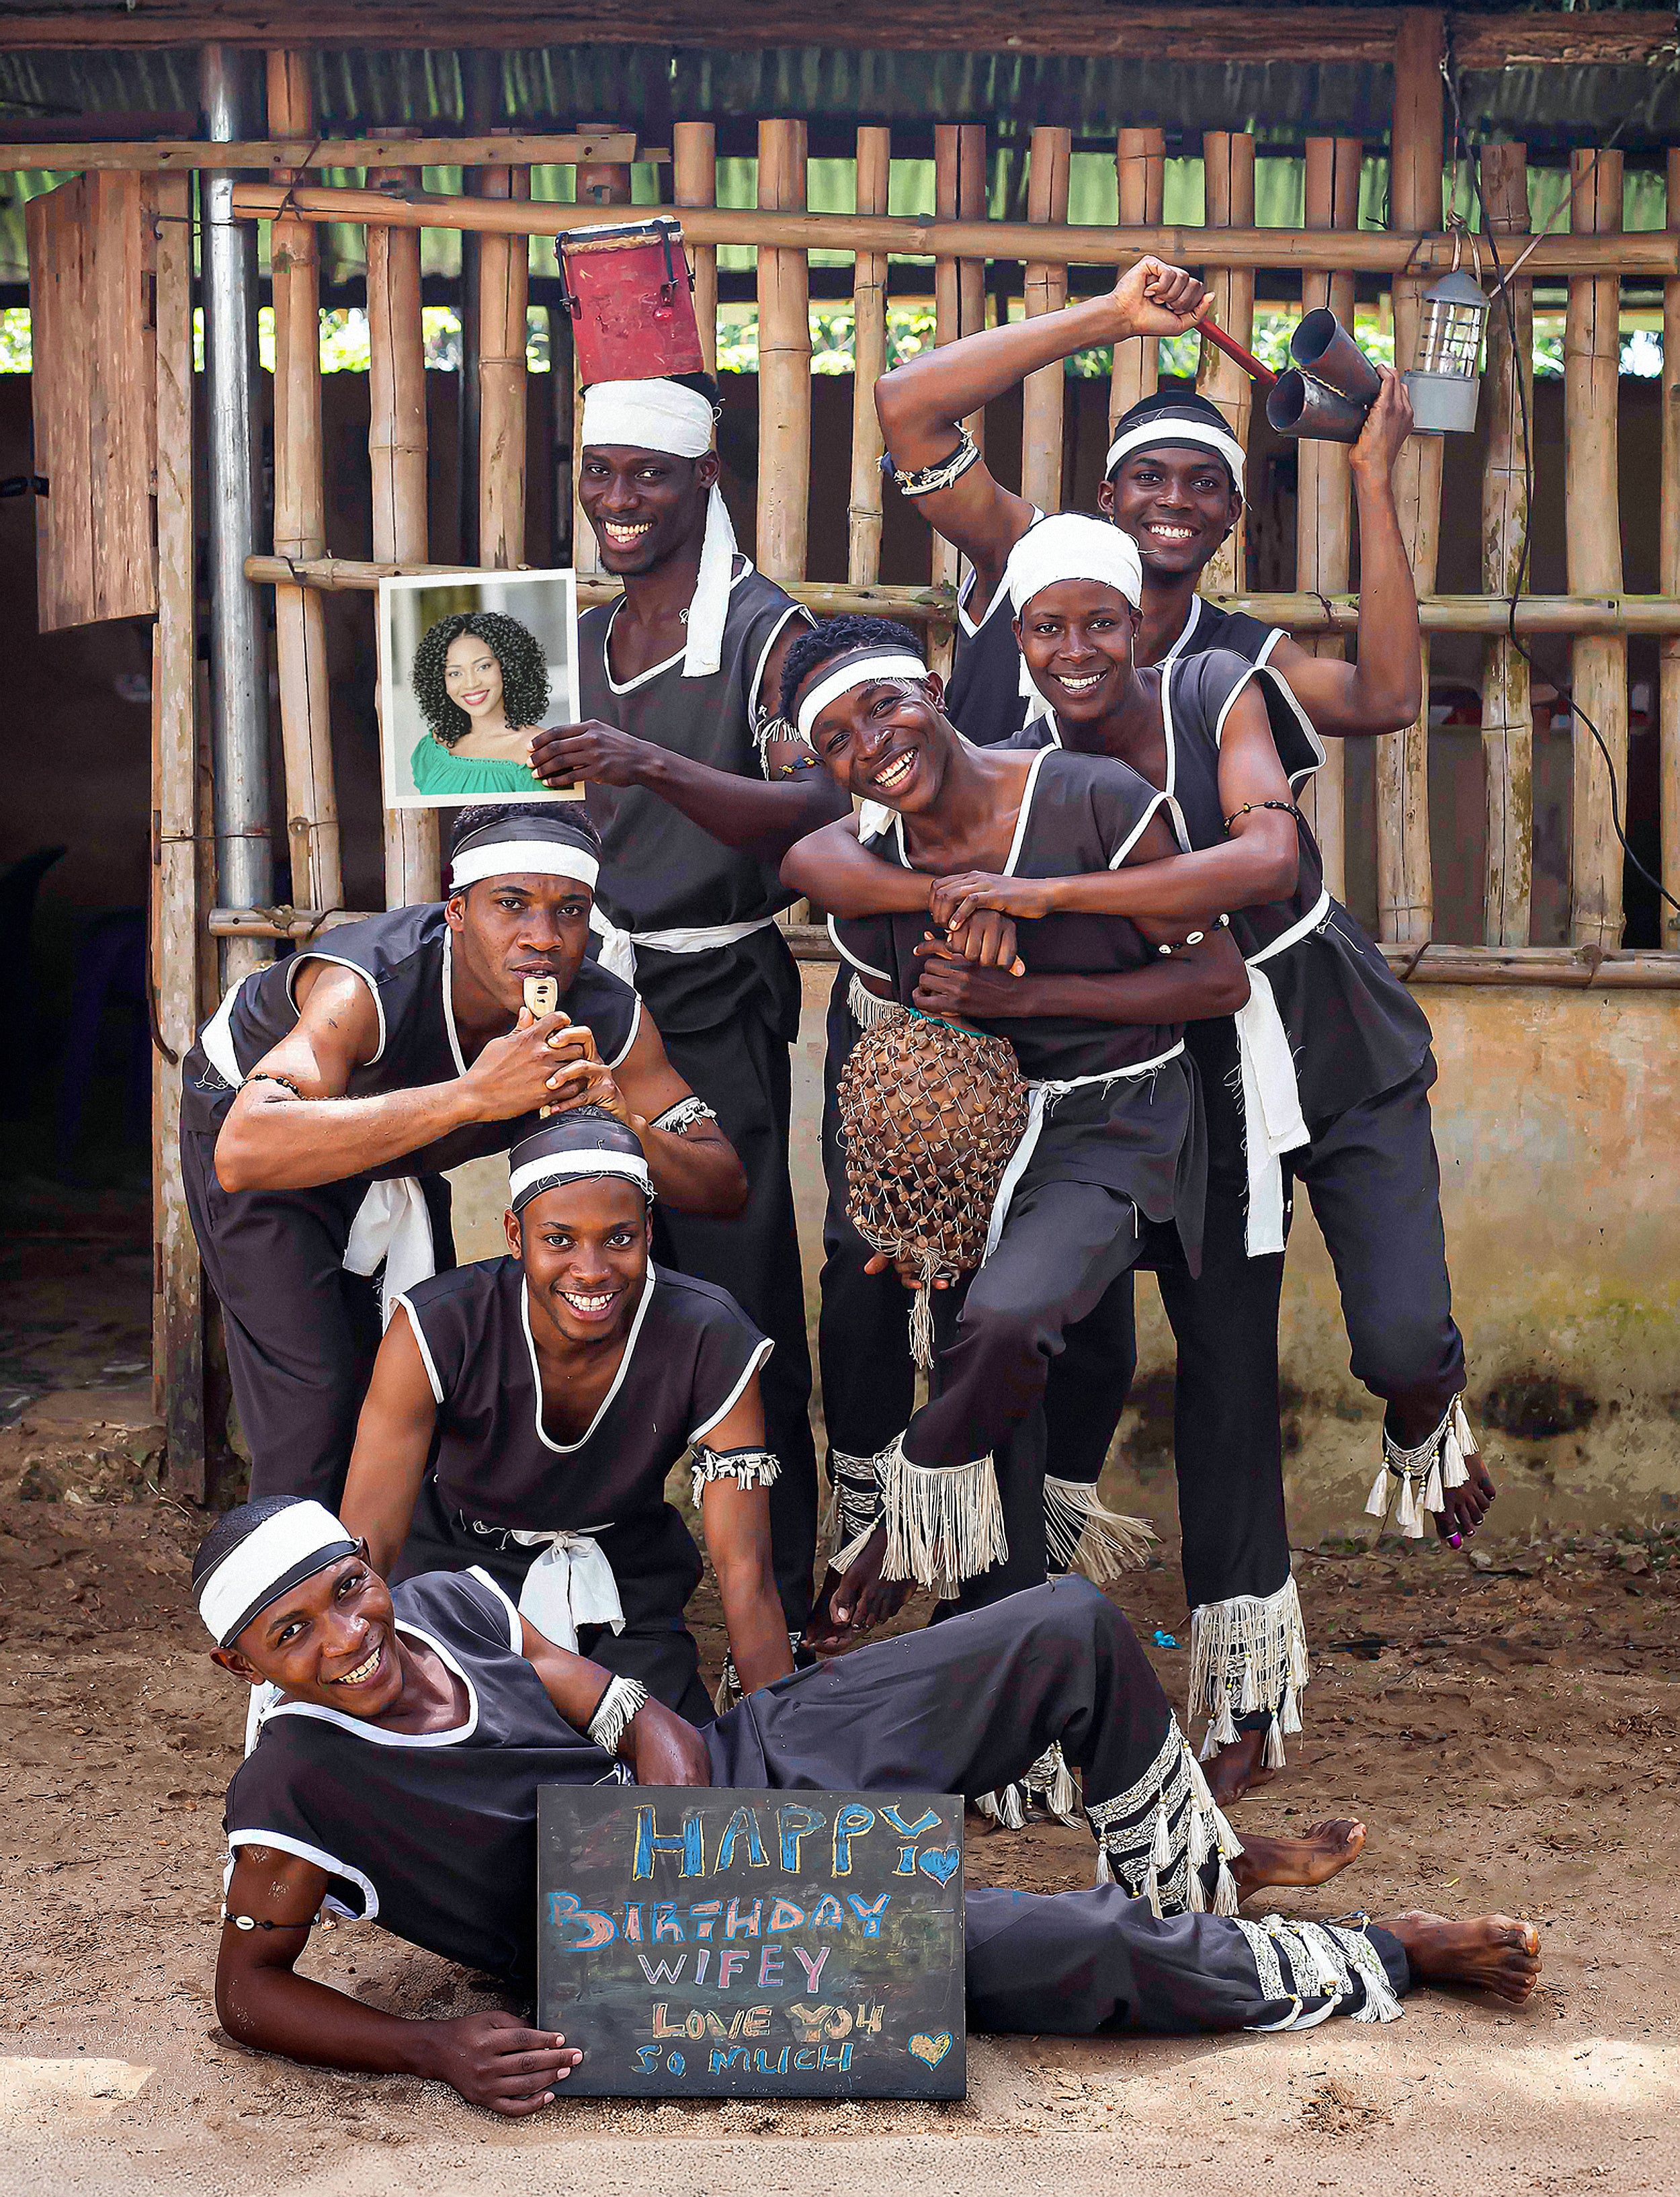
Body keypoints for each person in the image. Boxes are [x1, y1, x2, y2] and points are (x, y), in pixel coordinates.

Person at [202, 1495, 1542, 2116]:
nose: (343, 1635)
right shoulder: (297, 1784)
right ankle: (1378, 1953)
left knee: (1063, 1625)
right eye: (292, 1631)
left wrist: (684, 1826)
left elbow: (635, 1716)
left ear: (370, 1569)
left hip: (727, 1783)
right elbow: (248, 1993)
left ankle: (1192, 1874)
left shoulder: (443, 1603)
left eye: (344, 1589)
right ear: (243, 1665)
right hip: (638, 1954)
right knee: (1059, 1951)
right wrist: (431, 2048)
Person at [924, 512, 1492, 1798]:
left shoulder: (1215, 688)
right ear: (1018, 640)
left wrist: (1052, 900)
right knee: (1223, 1376)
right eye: (1047, 627)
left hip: (1323, 1035)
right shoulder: (1020, 765)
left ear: (1140, 625)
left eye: (1100, 624)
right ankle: (1233, 1692)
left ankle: (1425, 1403)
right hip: (1190, 1079)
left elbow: (1267, 852)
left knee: (1399, 1338)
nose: (1076, 651)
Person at [779, 615, 1244, 1636]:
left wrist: (1028, 986)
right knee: (985, 1365)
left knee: (1004, 1319)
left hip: (1118, 1118)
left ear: (937, 690)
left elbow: (1217, 978)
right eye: (839, 742)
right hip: (976, 1149)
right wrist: (949, 902)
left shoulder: (1093, 798)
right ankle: (1008, 1701)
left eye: (886, 706)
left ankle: (907, 1514)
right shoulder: (867, 882)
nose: (873, 745)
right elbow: (812, 863)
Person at [525, 372, 849, 1639]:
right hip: (591, 1000)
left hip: (715, 998)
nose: (619, 498)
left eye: (648, 474)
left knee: (739, 1294)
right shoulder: (580, 640)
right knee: (580, 1271)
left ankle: (785, 1589)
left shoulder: (771, 633)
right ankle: (602, 1569)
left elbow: (823, 804)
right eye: (601, 470)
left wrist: (651, 760)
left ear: (704, 478)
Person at [180, 804, 746, 1507]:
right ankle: (283, 1600)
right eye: (511, 906)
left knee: (409, 1372)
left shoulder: (603, 1011)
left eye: (571, 911)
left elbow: (722, 1181)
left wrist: (625, 1118)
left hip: (394, 1156)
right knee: (313, 1398)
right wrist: (473, 1097)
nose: (543, 939)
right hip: (266, 1142)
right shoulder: (368, 984)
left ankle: (388, 1590)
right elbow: (245, 1150)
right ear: (455, 913)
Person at [340, 1110, 794, 1725]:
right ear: (514, 1233)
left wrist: (785, 1740)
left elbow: (746, 1572)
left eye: (619, 1237)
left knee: (665, 1752)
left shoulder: (707, 1336)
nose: (592, 1269)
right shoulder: (438, 1326)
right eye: (559, 1239)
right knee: (457, 1748)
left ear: (649, 1231)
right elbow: (371, 1544)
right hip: (458, 1582)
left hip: (624, 1591)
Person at [874, 254, 1422, 741]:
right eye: (1151, 477)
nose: (1177, 499)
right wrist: (1114, 316)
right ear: (1109, 497)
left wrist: (1372, 475)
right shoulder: (1029, 557)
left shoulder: (1236, 653)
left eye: (1205, 483)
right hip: (974, 862)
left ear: (1233, 513)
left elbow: (1385, 702)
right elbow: (905, 402)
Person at [406, 610, 552, 804]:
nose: (471, 683)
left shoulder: (540, 751)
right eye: (455, 673)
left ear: (508, 667)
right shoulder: (433, 746)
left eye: (483, 667)